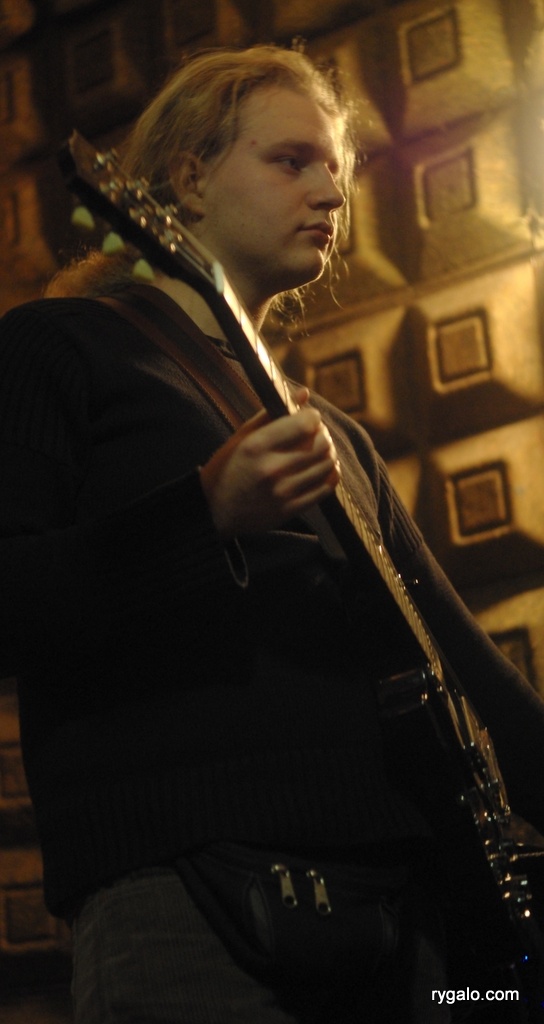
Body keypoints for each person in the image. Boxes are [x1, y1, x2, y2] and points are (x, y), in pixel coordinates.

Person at [1, 44, 544, 1024]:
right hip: (190, 905)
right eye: (291, 161)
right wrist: (203, 514)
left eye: (336, 170)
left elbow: (468, 670)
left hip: (409, 927)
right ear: (188, 179)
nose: (331, 194)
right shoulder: (58, 346)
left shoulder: (334, 434)